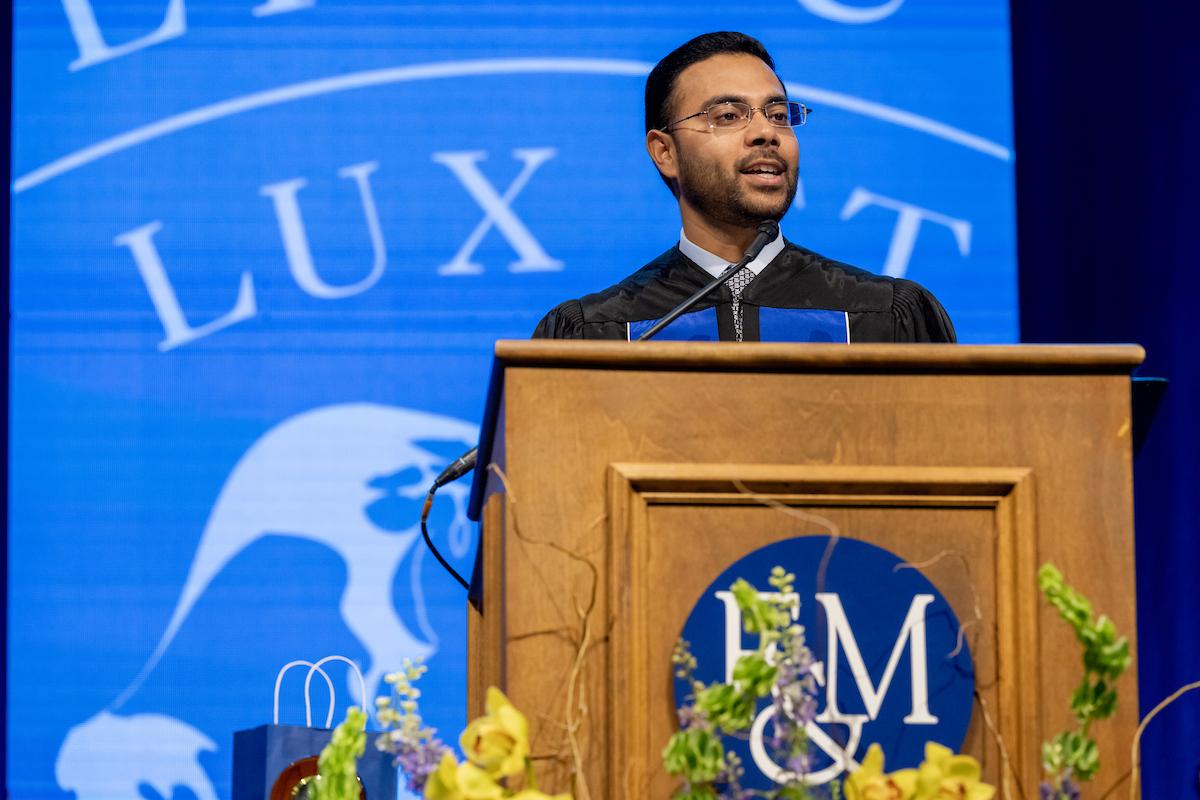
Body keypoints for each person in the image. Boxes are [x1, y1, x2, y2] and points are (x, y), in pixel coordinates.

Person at [533, 31, 955, 343]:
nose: (765, 133)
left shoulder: (882, 314)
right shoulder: (599, 332)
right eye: (729, 116)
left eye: (778, 114)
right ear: (665, 152)